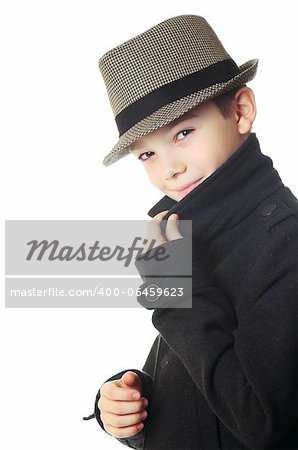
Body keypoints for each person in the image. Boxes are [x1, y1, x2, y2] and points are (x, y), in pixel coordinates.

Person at [83, 15, 298, 449]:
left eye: (183, 132)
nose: (169, 169)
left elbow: (262, 422)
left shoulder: (284, 241)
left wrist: (175, 293)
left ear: (240, 110)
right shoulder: (192, 234)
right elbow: (210, 381)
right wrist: (134, 405)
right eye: (147, 153)